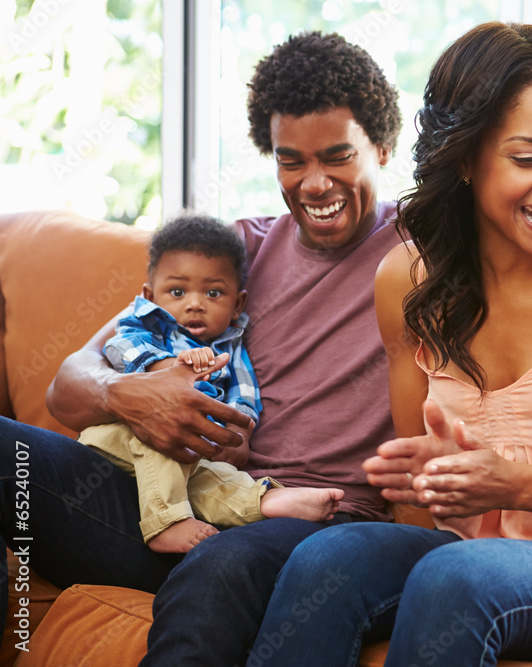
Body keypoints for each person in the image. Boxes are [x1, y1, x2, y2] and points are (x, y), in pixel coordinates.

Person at [248, 22, 532, 665]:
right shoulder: (406, 279)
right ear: (464, 157)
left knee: (459, 577)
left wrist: (511, 483)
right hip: (463, 555)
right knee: (328, 555)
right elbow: (412, 489)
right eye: (527, 156)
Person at [0, 31, 402, 663]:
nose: (315, 183)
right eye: (290, 160)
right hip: (168, 505)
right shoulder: (234, 258)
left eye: (337, 156)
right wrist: (130, 395)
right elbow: (68, 384)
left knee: (220, 564)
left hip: (304, 523)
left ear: (382, 146)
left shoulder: (422, 248)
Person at [78, 213, 343, 554]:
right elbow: (119, 345)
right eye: (177, 291)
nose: (194, 304)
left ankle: (262, 501)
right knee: (167, 427)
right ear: (150, 295)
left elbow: (244, 392)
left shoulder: (230, 349)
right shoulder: (148, 325)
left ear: (238, 304)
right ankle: (167, 521)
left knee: (209, 479)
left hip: (190, 460)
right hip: (119, 441)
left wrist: (240, 432)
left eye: (213, 293)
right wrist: (163, 366)